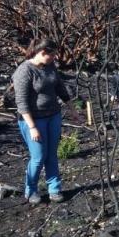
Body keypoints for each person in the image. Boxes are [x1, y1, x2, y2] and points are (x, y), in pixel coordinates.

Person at [12, 38, 70, 204]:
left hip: (53, 116)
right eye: (51, 55)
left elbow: (59, 87)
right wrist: (32, 127)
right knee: (38, 157)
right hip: (34, 121)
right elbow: (21, 102)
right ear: (41, 52)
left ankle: (54, 188)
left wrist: (72, 109)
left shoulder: (49, 66)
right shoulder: (24, 71)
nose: (54, 58)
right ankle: (31, 190)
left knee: (52, 154)